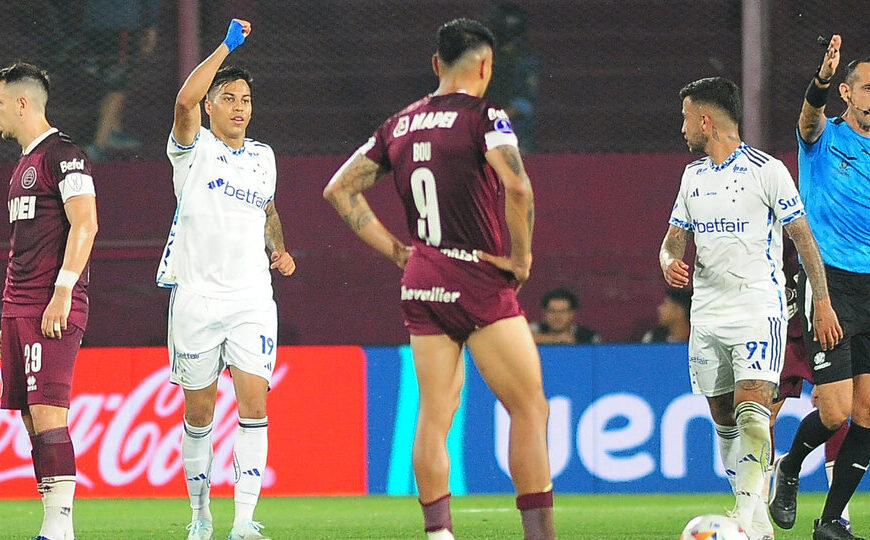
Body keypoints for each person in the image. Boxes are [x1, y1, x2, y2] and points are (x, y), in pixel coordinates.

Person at [323, 18, 555, 540]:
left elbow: (338, 190)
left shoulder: (399, 124)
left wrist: (398, 253)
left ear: (435, 65)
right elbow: (518, 189)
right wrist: (521, 261)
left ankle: (438, 534)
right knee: (529, 406)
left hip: (423, 276)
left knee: (435, 411)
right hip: (475, 275)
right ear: (486, 66)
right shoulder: (484, 116)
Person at [659, 76, 841, 540]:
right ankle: (755, 516)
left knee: (752, 411)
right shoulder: (692, 177)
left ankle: (744, 522)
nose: (681, 128)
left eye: (685, 118)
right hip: (707, 313)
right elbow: (673, 240)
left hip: (758, 306)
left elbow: (804, 240)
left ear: (705, 119)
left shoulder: (768, 171)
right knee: (723, 416)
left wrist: (821, 301)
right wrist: (668, 261)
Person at [156, 19, 296, 540]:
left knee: (255, 405)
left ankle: (242, 522)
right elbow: (183, 103)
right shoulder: (191, 150)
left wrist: (278, 248)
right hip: (195, 298)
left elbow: (268, 208)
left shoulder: (264, 157)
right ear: (212, 106)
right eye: (229, 97)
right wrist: (226, 47)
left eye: (245, 98)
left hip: (251, 299)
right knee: (199, 413)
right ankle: (200, 517)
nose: (239, 105)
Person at [768, 35, 870, 540]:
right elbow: (807, 118)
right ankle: (789, 467)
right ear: (849, 93)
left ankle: (831, 521)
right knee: (834, 412)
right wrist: (821, 79)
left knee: (869, 415)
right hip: (830, 282)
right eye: (869, 87)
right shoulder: (824, 136)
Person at [0, 62, 99, 540]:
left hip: (50, 306)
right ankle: (51, 524)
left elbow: (86, 223)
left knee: (47, 413)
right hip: (18, 307)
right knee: (30, 417)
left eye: (0, 101)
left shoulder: (63, 154)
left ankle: (61, 529)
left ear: (22, 103)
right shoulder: (21, 163)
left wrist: (62, 291)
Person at [766, 239, 852, 532]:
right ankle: (756, 517)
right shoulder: (769, 216)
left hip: (818, 326)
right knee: (760, 418)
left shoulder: (826, 220)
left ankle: (838, 517)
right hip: (775, 330)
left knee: (836, 414)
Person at [81, 0, 159, 160]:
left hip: (94, 22)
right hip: (119, 23)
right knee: (117, 84)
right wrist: (151, 26)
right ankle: (99, 143)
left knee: (110, 77)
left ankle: (113, 130)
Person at [486, 2, 540, 153]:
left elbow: (524, 103)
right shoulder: (486, 56)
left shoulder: (526, 59)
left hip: (515, 131)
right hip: (487, 126)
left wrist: (495, 120)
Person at [530, 287, 601, 344]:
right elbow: (521, 338)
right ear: (544, 313)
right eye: (552, 311)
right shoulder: (536, 328)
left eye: (563, 312)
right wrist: (555, 339)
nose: (557, 316)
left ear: (572, 314)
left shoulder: (588, 337)